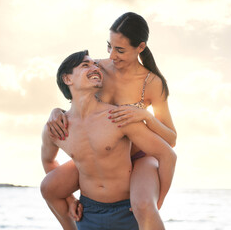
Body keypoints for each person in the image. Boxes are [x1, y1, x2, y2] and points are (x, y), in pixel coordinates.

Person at [44, 12, 177, 229]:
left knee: (144, 205)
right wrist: (56, 111)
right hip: (103, 152)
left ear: (140, 48)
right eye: (110, 46)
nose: (112, 55)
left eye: (121, 50)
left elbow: (170, 139)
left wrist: (146, 117)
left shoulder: (152, 83)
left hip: (139, 156)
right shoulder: (98, 68)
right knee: (49, 187)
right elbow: (76, 96)